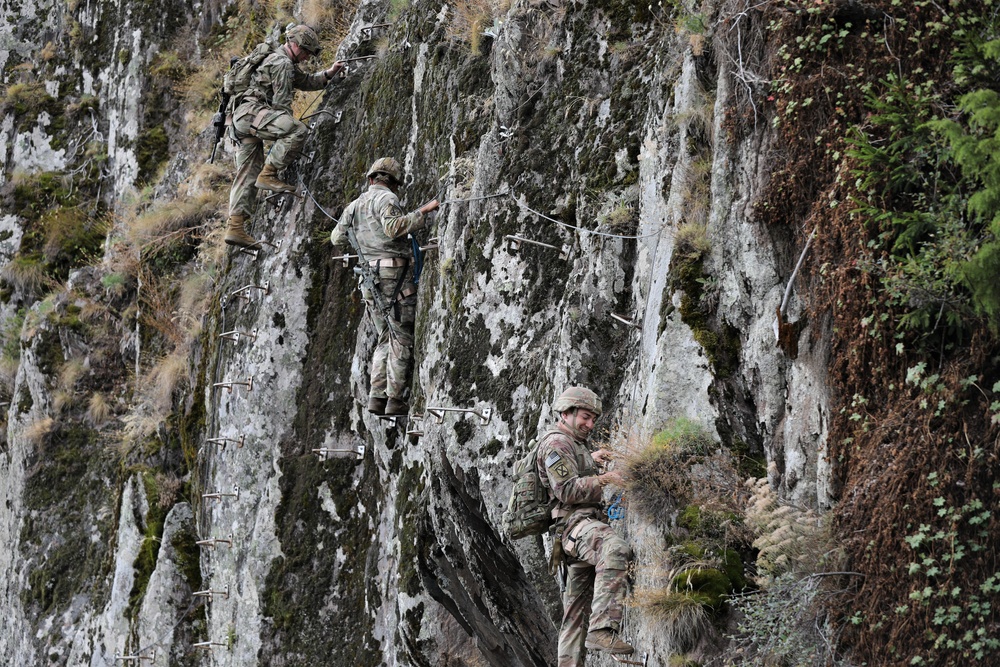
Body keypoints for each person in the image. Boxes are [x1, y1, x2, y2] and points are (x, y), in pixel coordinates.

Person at [330, 157, 439, 416]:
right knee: (400, 335)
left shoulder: (354, 206)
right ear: (393, 183)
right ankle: (394, 399)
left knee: (384, 337)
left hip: (369, 278)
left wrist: (364, 243)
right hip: (392, 276)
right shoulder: (387, 199)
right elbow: (393, 228)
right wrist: (422, 212)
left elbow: (336, 237)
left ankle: (376, 397)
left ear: (370, 179)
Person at [537, 386, 634, 665]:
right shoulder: (556, 444)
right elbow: (566, 490)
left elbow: (565, 473)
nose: (590, 425)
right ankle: (602, 630)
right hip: (576, 527)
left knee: (574, 615)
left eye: (593, 419)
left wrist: (591, 460)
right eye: (584, 417)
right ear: (566, 413)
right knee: (614, 547)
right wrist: (605, 479)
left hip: (573, 532)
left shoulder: (571, 444)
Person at [224, 24, 345, 248]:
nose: (308, 56)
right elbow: (281, 107)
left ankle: (235, 227)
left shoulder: (275, 58)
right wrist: (285, 144)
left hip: (240, 120)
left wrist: (329, 73)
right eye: (307, 51)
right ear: (296, 45)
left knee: (246, 173)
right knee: (297, 129)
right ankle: (268, 174)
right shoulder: (282, 64)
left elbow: (306, 81)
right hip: (253, 114)